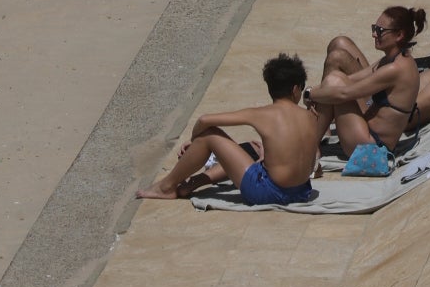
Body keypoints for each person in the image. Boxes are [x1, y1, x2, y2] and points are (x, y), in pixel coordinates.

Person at [136, 53, 324, 203]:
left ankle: (166, 187)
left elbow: (204, 120)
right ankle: (198, 181)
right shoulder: (310, 117)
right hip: (301, 192)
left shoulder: (262, 114)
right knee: (254, 147)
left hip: (269, 193)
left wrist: (194, 143)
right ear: (295, 89)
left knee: (209, 136)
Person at [311, 5, 426, 156]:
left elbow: (344, 93)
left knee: (334, 83)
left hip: (373, 147)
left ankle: (309, 145)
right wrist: (318, 90)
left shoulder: (395, 69)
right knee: (336, 70)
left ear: (399, 35)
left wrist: (310, 94)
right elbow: (353, 79)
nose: (373, 34)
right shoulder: (393, 58)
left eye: (380, 31)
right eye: (374, 28)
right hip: (368, 126)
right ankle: (316, 130)